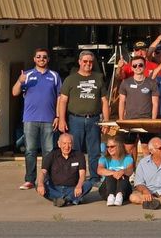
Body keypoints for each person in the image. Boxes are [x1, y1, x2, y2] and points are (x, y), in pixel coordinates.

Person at [12, 48, 62, 190]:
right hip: (30, 119)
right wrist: (20, 81)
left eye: (44, 57)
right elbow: (15, 92)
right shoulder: (27, 75)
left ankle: (47, 179)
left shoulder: (54, 76)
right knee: (30, 150)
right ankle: (29, 179)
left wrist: (57, 116)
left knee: (48, 151)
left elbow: (59, 97)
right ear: (34, 59)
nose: (41, 59)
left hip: (48, 119)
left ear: (48, 59)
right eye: (38, 57)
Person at [57, 51, 107, 184]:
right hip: (75, 119)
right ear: (79, 62)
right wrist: (61, 119)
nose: (88, 64)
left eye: (90, 62)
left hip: (94, 119)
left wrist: (106, 121)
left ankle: (95, 178)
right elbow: (62, 101)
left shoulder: (99, 78)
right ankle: (75, 177)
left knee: (94, 151)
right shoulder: (70, 79)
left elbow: (104, 101)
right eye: (85, 61)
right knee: (75, 151)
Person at [117, 55, 160, 158]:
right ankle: (132, 173)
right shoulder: (126, 83)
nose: (137, 67)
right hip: (129, 120)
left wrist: (153, 120)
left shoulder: (152, 83)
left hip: (146, 120)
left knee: (146, 148)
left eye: (140, 65)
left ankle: (147, 172)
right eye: (135, 66)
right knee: (129, 148)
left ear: (145, 66)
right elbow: (121, 102)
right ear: (131, 68)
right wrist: (121, 120)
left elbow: (155, 103)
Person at [36, 133, 92, 206]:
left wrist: (79, 185)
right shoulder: (52, 155)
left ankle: (62, 200)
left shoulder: (79, 155)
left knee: (88, 184)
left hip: (72, 188)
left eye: (69, 143)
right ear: (59, 144)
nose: (67, 146)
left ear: (72, 144)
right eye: (64, 143)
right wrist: (40, 184)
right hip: (55, 188)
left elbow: (82, 175)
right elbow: (43, 172)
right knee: (38, 184)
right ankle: (71, 199)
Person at [97, 138, 134, 206]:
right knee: (110, 174)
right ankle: (111, 195)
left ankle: (119, 195)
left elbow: (130, 170)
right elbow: (99, 170)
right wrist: (114, 172)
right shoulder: (104, 158)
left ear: (119, 146)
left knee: (123, 174)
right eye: (107, 147)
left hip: (124, 190)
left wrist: (122, 171)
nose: (109, 149)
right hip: (106, 190)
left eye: (112, 146)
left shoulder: (128, 158)